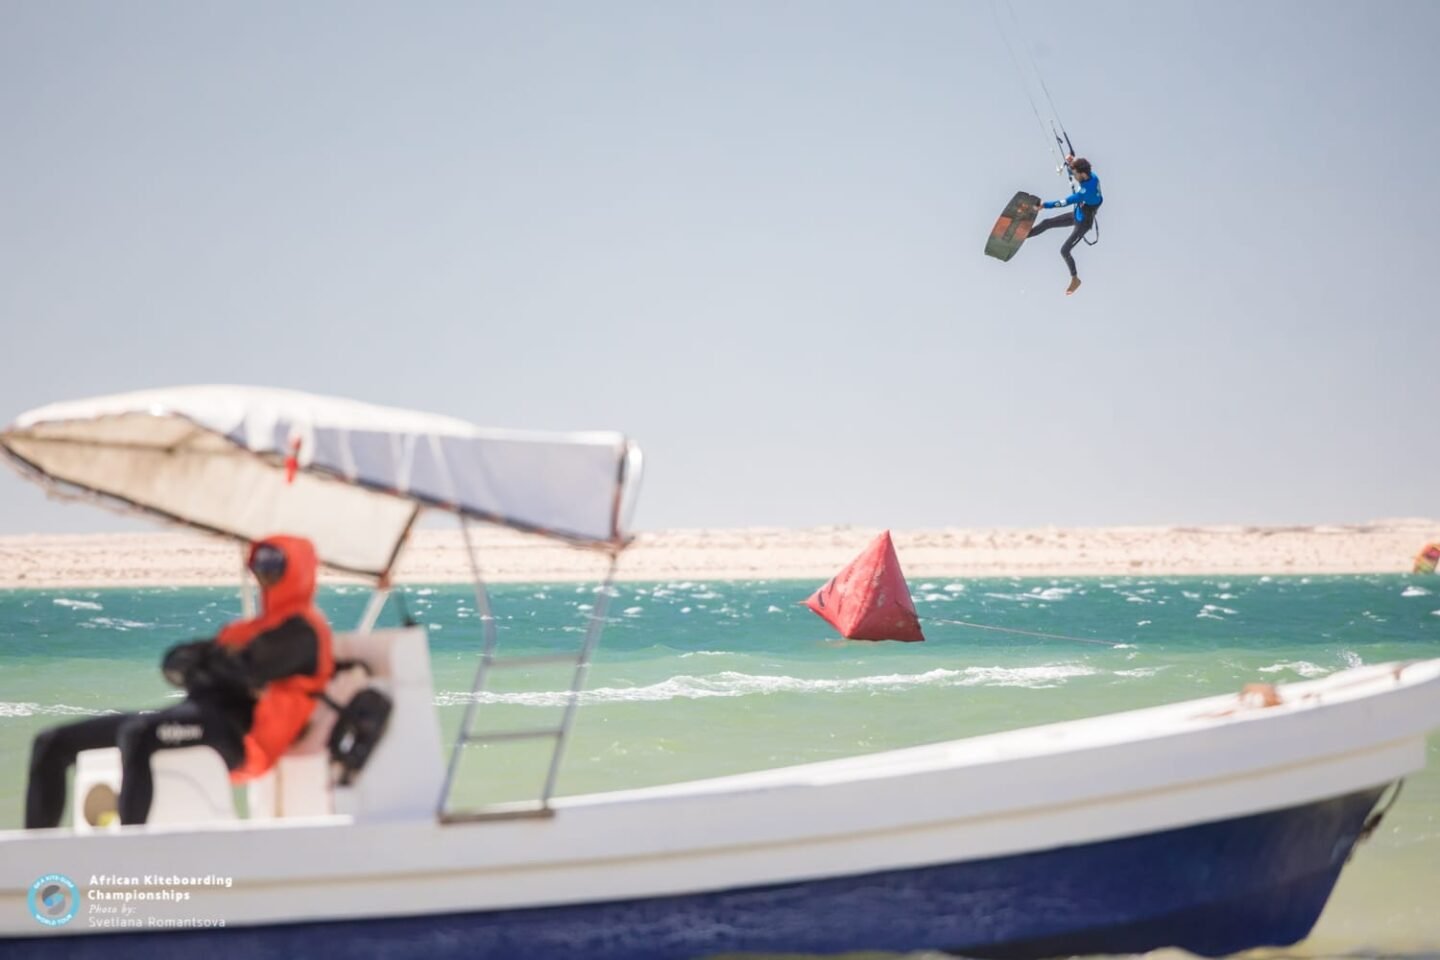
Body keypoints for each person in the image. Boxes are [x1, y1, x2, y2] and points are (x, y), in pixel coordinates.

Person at [25, 535, 334, 828]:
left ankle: (126, 853)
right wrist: (215, 662)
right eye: (260, 567)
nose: (265, 576)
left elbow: (244, 669)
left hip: (241, 738)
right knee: (52, 741)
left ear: (297, 571)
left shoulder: (303, 632)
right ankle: (31, 858)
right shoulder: (248, 631)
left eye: (274, 567)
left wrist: (209, 662)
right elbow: (174, 664)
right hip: (199, 715)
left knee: (139, 733)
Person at [1029, 155, 1103, 295]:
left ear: (1082, 174)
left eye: (1075, 174)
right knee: (1047, 223)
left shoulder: (1086, 191)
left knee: (1064, 250)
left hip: (1084, 223)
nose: (1074, 176)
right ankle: (1024, 236)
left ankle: (1075, 279)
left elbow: (1064, 202)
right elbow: (1076, 171)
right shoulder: (1091, 176)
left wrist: (1044, 205)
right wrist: (1071, 163)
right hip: (1079, 213)